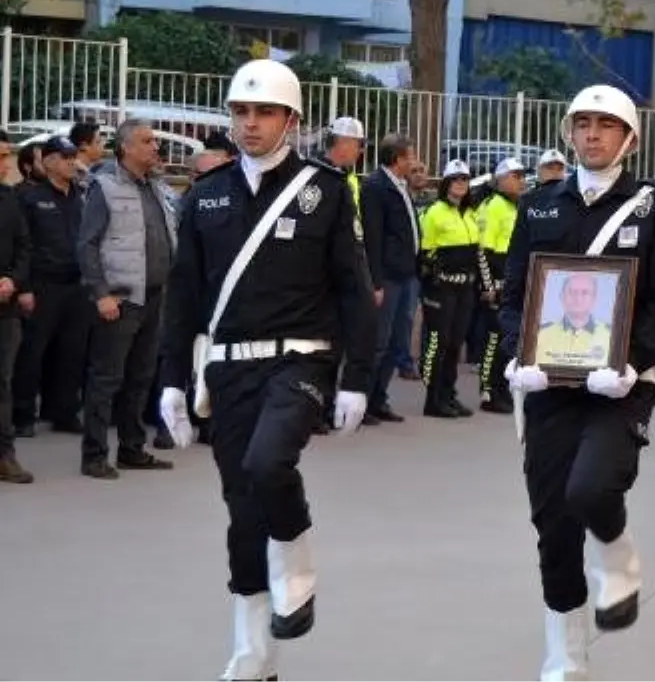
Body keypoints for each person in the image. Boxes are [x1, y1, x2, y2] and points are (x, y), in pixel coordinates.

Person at [157, 58, 375, 682]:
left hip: (300, 361)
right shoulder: (205, 197)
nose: (250, 124)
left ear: (291, 120)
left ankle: (299, 561)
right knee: (242, 512)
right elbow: (184, 297)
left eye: (264, 113)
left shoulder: (325, 192)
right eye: (241, 112)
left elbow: (355, 292)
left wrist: (357, 377)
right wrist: (173, 379)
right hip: (227, 371)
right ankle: (254, 656)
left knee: (268, 463)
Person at [501, 84, 655, 682]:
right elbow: (513, 298)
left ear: (629, 138)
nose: (592, 134)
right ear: (568, 132)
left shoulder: (652, 205)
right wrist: (517, 356)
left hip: (619, 387)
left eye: (605, 125)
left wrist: (633, 362)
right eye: (582, 124)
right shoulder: (539, 206)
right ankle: (566, 657)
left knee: (591, 491)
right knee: (552, 525)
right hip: (547, 388)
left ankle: (618, 555)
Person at [77, 119, 177, 479]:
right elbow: (87, 246)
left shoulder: (158, 188)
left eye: (155, 141)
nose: (155, 147)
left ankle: (132, 449)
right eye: (147, 141)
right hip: (120, 299)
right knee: (106, 378)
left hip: (154, 297)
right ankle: (94, 455)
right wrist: (101, 294)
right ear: (126, 148)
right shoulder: (103, 188)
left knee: (141, 377)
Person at [13, 136, 88, 439]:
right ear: (49, 162)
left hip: (77, 285)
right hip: (43, 285)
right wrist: (25, 287)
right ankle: (23, 415)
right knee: (33, 353)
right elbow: (23, 246)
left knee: (72, 353)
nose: (73, 162)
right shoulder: (30, 198)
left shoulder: (81, 195)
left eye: (74, 157)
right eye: (66, 157)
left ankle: (64, 412)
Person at [360, 134, 420, 418]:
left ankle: (379, 399)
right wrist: (376, 281)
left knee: (398, 340)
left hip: (407, 274)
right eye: (410, 156)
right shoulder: (375, 186)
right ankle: (363, 399)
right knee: (378, 342)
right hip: (388, 277)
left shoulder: (400, 185)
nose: (414, 161)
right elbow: (373, 236)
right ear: (397, 159)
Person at [419, 159, 480, 418]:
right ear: (446, 183)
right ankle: (433, 399)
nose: (461, 184)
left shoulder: (470, 213)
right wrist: (435, 275)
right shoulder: (435, 212)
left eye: (465, 179)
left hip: (465, 289)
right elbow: (425, 250)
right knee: (438, 342)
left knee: (455, 343)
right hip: (441, 288)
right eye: (455, 179)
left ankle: (448, 393)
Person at [477, 157, 526, 413]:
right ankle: (489, 391)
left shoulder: (515, 207)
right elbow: (483, 250)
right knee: (493, 339)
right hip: (497, 281)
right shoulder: (493, 206)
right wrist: (490, 286)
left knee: (508, 339)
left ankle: (502, 388)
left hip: (512, 281)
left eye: (522, 176)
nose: (521, 181)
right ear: (501, 179)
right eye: (515, 176)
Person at [0, 169, 32, 483]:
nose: (4, 164)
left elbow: (25, 244)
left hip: (5, 306)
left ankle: (4, 455)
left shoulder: (9, 197)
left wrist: (15, 279)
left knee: (3, 383)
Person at [534, 272, 613, 367]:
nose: (578, 298)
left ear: (594, 299)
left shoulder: (611, 335)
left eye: (585, 293)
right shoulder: (540, 333)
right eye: (572, 292)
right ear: (561, 297)